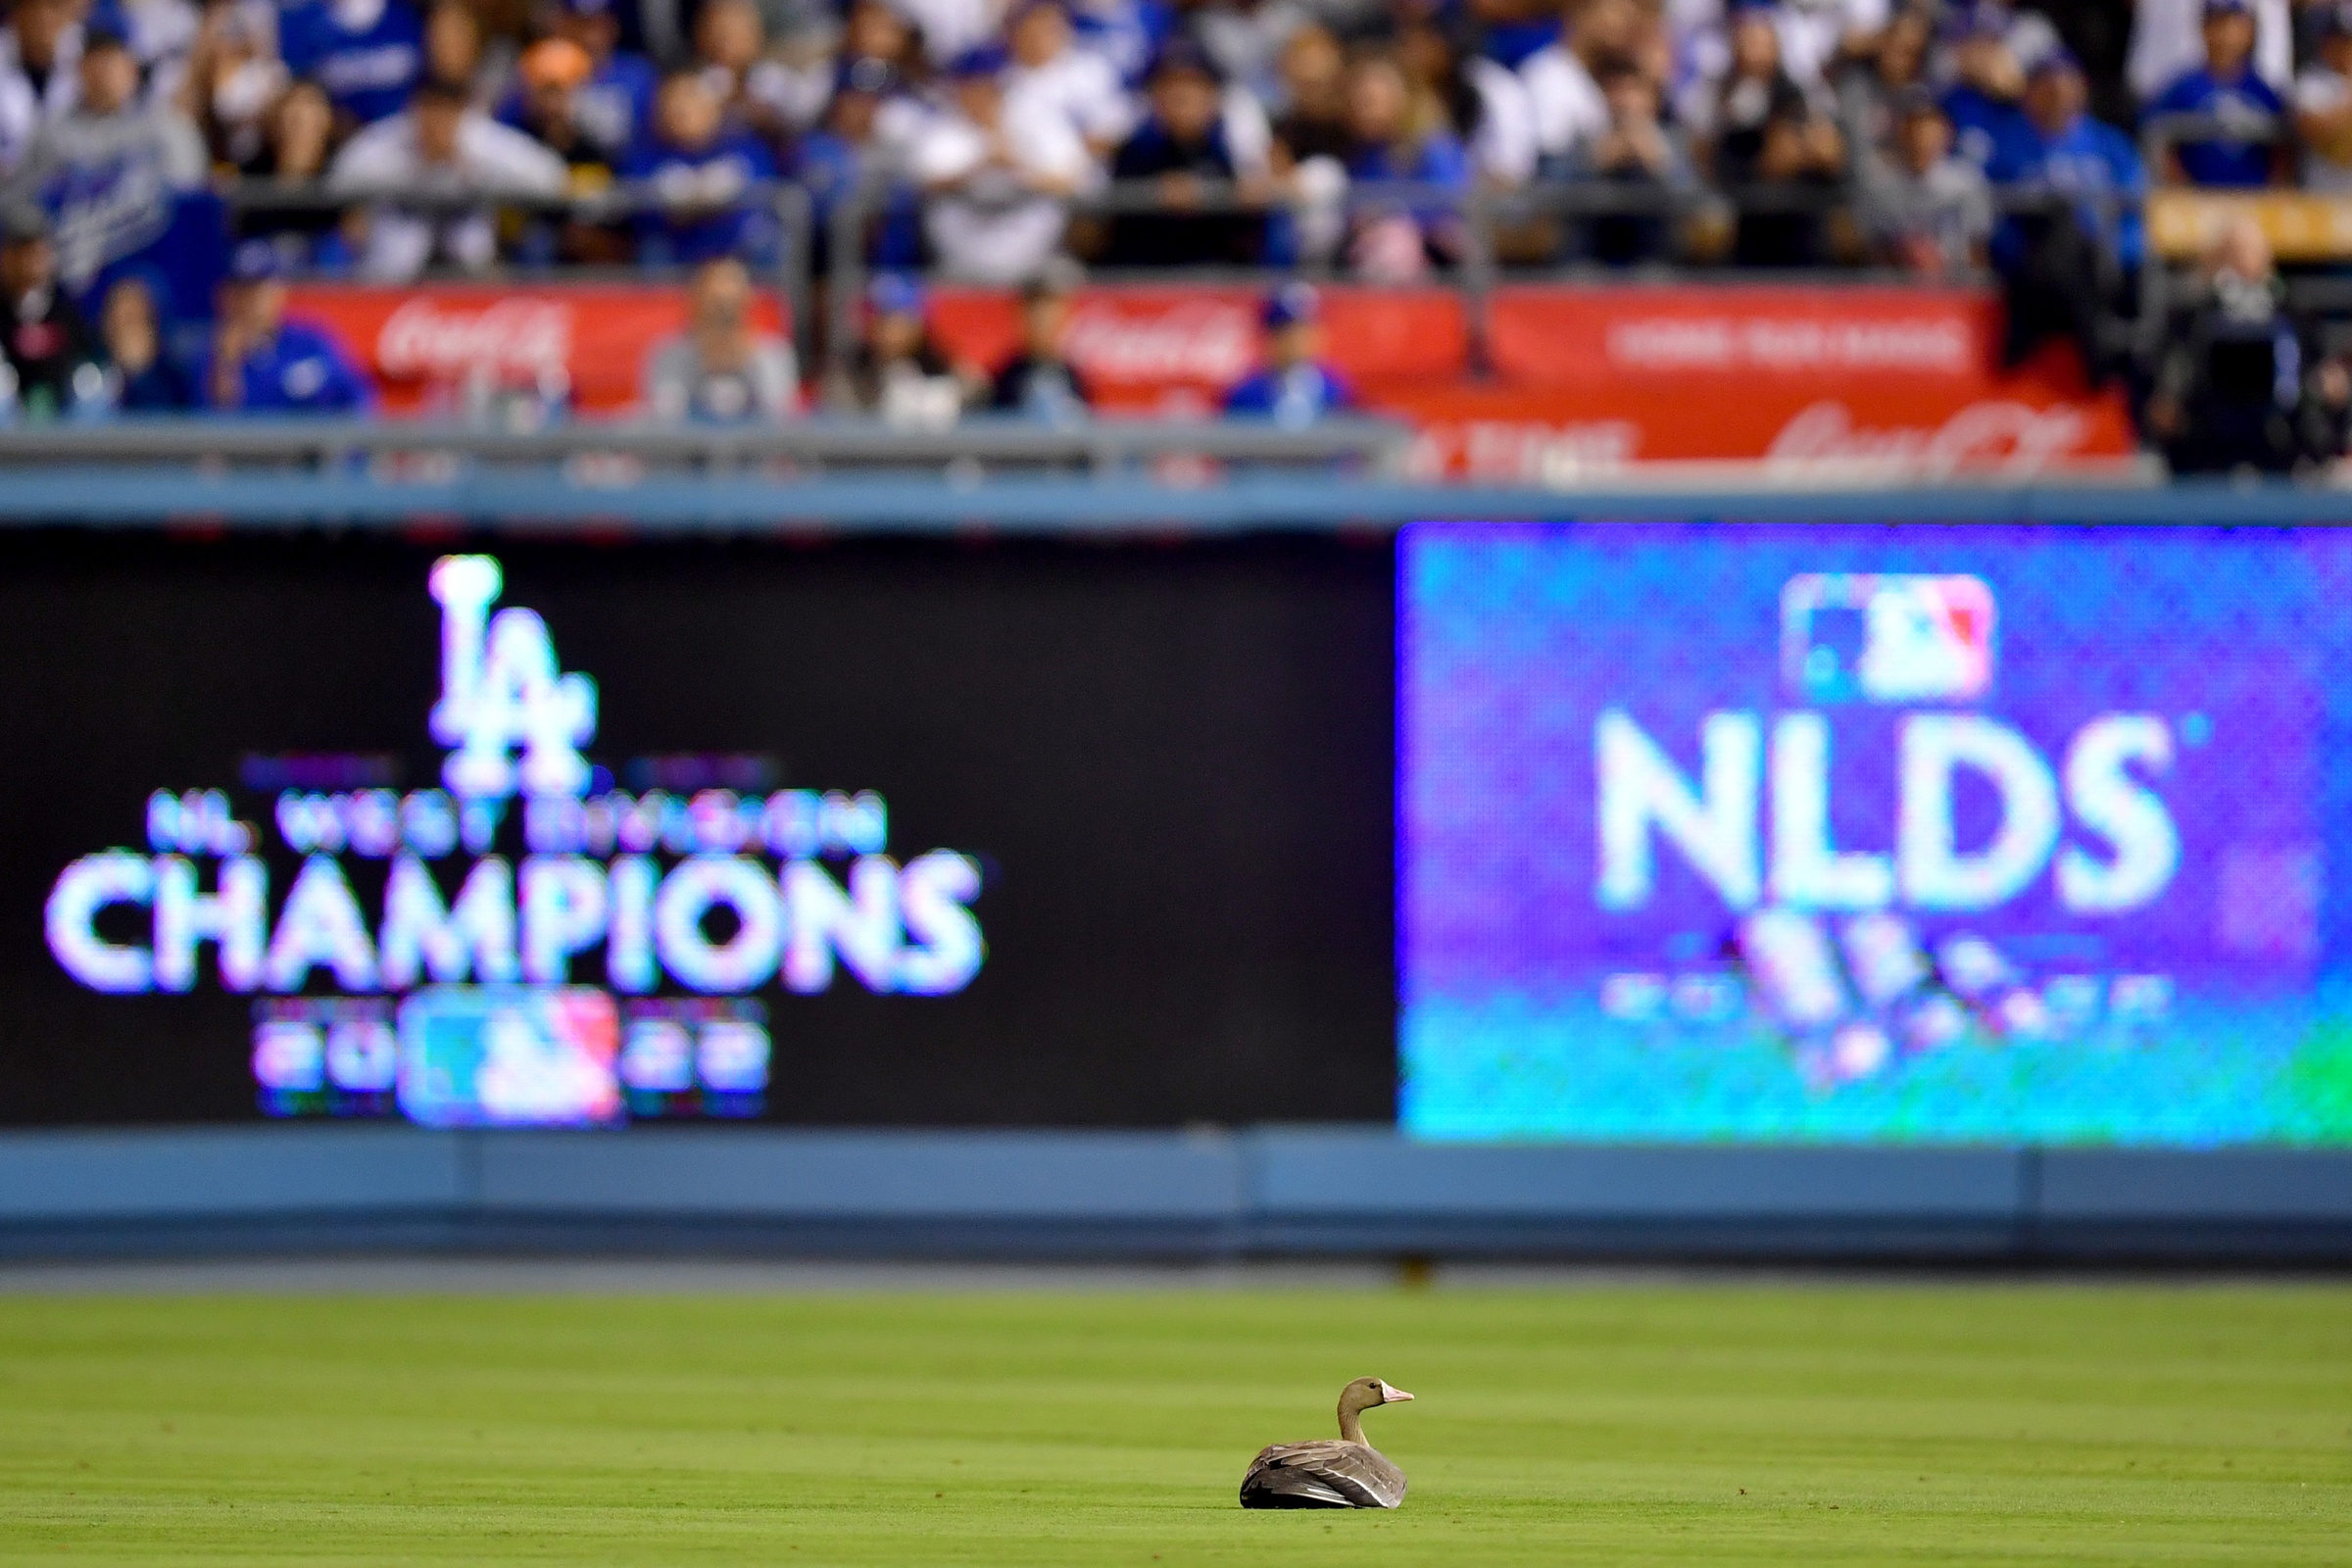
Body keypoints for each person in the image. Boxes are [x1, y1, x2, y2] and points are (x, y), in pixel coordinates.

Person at [0, 14, 206, 305]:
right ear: (80, 69)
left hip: (153, 281)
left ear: (133, 67)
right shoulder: (52, 133)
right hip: (71, 282)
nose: (104, 70)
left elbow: (191, 209)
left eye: (114, 58)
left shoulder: (170, 130)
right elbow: (17, 205)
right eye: (95, 59)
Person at [1990, 48, 2142, 373]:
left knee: (2074, 235)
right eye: (2047, 86)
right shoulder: (2007, 146)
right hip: (2032, 271)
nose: (2057, 94)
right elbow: (1995, 221)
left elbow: (2136, 209)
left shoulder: (2109, 143)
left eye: (2065, 85)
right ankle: (2098, 344)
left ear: (2081, 89)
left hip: (2101, 265)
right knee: (2058, 225)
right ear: (2030, 93)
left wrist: (2118, 254)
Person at [326, 76, 569, 279]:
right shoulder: (387, 142)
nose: (436, 124)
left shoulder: (479, 140)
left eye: (446, 113)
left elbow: (551, 178)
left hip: (470, 272)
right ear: (414, 110)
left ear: (460, 113)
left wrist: (475, 173)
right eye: (429, 110)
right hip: (393, 276)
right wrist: (366, 201)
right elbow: (336, 182)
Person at [909, 44, 1089, 284]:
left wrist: (1018, 169)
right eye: (971, 85)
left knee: (1064, 276)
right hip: (957, 270)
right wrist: (980, 167)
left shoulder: (1036, 121)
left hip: (1033, 272)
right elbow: (924, 184)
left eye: (988, 86)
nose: (980, 94)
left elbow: (1071, 181)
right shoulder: (943, 129)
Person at [2146, 219, 2305, 474]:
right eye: (2235, 253)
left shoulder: (2289, 313)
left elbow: (2309, 377)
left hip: (2274, 442)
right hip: (2203, 445)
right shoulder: (2190, 314)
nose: (2244, 263)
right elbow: (2163, 375)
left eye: (2254, 252)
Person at [1696, 2, 1843, 268]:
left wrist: (1811, 152)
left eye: (1760, 42)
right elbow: (1714, 163)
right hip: (1746, 229)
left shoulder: (1798, 95)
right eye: (1747, 42)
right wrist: (1766, 162)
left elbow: (1830, 153)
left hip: (1801, 227)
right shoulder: (1722, 95)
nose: (1754, 52)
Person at [1105, 39, 1263, 266]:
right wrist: (1154, 191)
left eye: (1193, 87)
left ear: (1212, 97)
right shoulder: (1136, 148)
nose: (1181, 97)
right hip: (1145, 272)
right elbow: (1107, 226)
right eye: (1171, 86)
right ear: (1155, 97)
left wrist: (1242, 200)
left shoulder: (1229, 148)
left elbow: (1245, 230)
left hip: (1213, 272)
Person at [621, 69, 780, 265]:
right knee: (653, 251)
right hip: (678, 247)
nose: (680, 107)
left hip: (731, 248)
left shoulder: (743, 145)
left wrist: (723, 192)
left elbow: (766, 197)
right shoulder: (645, 153)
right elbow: (640, 215)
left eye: (690, 96)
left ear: (712, 106)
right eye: (671, 99)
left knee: (766, 240)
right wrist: (674, 202)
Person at [195, 238, 374, 413]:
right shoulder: (212, 353)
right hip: (251, 443)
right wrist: (226, 363)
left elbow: (357, 395)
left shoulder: (310, 339)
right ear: (227, 296)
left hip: (315, 440)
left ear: (279, 291)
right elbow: (214, 423)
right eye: (243, 291)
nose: (252, 301)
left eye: (260, 289)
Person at [2144, 0, 2287, 188]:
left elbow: (2284, 153)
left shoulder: (2265, 92)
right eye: (2217, 23)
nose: (2225, 34)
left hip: (2255, 202)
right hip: (2194, 203)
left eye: (2235, 24)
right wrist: (2180, 189)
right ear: (2202, 28)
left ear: (2250, 30)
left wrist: (2273, 192)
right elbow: (2156, 139)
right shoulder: (2181, 87)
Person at [642, 255, 800, 422]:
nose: (723, 315)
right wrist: (702, 360)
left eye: (731, 304)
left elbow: (779, 420)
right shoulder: (668, 354)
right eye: (716, 304)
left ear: (748, 303)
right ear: (696, 304)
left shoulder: (773, 354)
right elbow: (666, 419)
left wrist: (749, 362)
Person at [1569, 58, 1690, 266]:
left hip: (1659, 264)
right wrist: (1596, 163)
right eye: (1614, 90)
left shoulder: (1675, 141)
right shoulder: (1584, 141)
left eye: (1632, 91)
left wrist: (1658, 162)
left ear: (1651, 98)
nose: (1623, 101)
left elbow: (1696, 201)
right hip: (1591, 261)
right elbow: (1555, 199)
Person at [1860, 91, 1989, 278]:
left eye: (1929, 131)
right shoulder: (1880, 186)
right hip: (1900, 288)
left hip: (1955, 284)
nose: (1922, 140)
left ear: (1945, 134)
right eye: (1915, 130)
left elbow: (1977, 251)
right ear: (1902, 134)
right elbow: (1877, 253)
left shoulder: (1967, 183)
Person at [824, 270, 971, 424]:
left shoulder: (941, 362)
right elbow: (842, 417)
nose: (892, 333)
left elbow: (975, 392)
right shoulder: (850, 368)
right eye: (884, 321)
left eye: (903, 322)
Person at [0, 199, 103, 418]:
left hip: (65, 415)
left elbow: (84, 356)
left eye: (38, 254)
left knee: (90, 384)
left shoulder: (65, 307)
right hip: (9, 423)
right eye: (23, 254)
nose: (33, 264)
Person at [1004, 0, 1133, 161]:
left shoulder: (1092, 69)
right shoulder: (1004, 82)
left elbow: (1115, 127)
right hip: (1029, 179)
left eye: (1054, 23)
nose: (1045, 32)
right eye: (1036, 24)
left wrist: (1071, 157)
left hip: (1099, 178)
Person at [277, 0, 425, 127]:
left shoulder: (410, 12)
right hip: (336, 141)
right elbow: (298, 92)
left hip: (410, 130)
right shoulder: (304, 21)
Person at [1222, 281, 1353, 423]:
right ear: (1271, 335)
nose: (1301, 339)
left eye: (1309, 328)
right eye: (1290, 331)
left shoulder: (1336, 387)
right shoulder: (1245, 392)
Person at [989, 258, 1092, 418]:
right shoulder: (1006, 376)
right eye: (1034, 308)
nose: (1042, 319)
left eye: (1050, 309)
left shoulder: (1073, 376)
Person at [0, 0, 84, 175]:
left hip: (64, 185)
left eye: (52, 8)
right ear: (16, 16)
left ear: (67, 17)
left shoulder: (84, 57)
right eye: (33, 9)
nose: (43, 18)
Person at [99, 271, 190, 409]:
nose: (130, 332)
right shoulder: (91, 368)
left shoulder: (172, 377)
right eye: (122, 322)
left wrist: (139, 371)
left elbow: (159, 421)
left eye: (136, 320)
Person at [2296, 1, 2352, 196]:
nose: (2348, 48)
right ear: (2326, 42)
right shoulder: (2311, 81)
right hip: (2319, 199)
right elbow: (2313, 129)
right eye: (2343, 40)